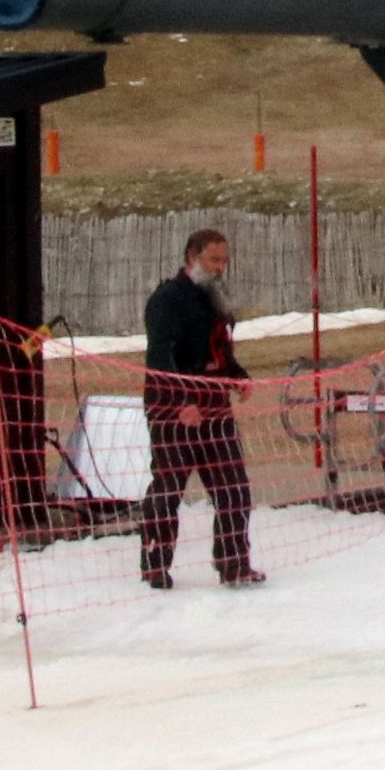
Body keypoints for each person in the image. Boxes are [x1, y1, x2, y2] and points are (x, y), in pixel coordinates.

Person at [138, 228, 258, 588]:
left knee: (234, 489)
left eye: (224, 260)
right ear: (192, 257)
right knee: (168, 488)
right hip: (174, 409)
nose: (221, 267)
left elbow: (218, 349)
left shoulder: (212, 297)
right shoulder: (167, 299)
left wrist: (237, 375)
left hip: (215, 407)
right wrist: (182, 401)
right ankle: (154, 566)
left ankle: (234, 565)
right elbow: (162, 355)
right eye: (214, 260)